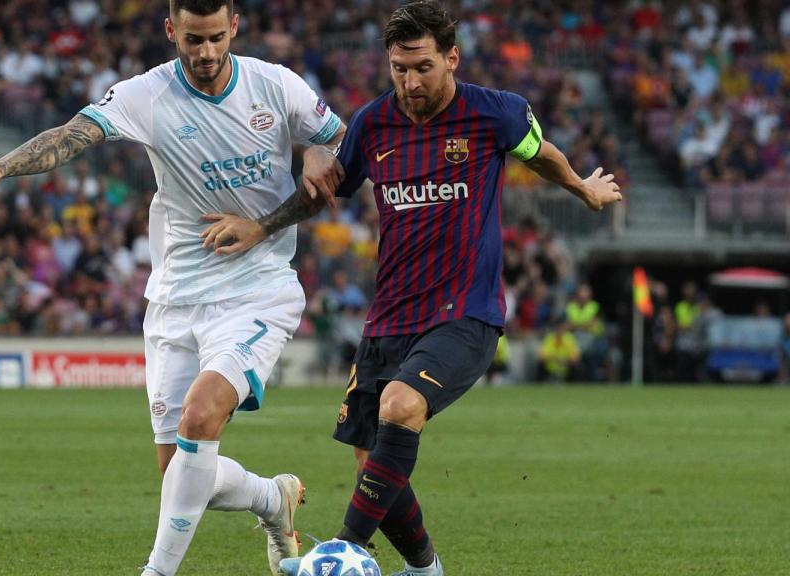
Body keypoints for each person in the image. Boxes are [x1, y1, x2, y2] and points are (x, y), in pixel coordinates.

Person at [199, 2, 622, 574]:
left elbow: (540, 154)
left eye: (422, 67)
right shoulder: (375, 123)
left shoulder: (493, 114)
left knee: (401, 408)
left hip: (465, 312)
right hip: (389, 316)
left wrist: (583, 189)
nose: (409, 81)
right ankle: (426, 569)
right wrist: (263, 222)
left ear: (451, 58)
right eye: (399, 68)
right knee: (371, 460)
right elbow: (328, 188)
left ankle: (343, 549)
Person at [0, 1, 346, 574]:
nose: (205, 53)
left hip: (258, 288)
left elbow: (338, 146)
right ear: (171, 31)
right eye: (192, 40)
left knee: (200, 418)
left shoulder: (275, 87)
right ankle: (271, 499)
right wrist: (2, 168)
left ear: (234, 29)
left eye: (215, 39)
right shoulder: (146, 95)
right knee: (180, 468)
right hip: (176, 294)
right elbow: (78, 133)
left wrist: (310, 164)